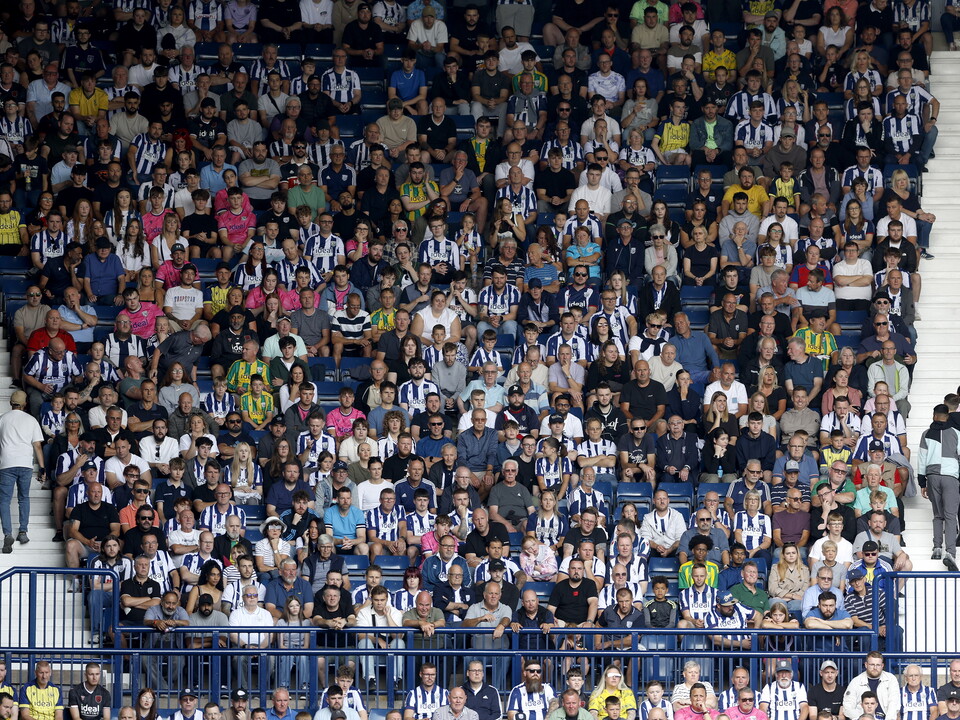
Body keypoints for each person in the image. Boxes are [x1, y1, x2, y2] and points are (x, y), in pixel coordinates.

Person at [0, 390, 44, 552]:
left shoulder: (3, 419)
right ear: (25, 404)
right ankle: (23, 532)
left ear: (10, 403)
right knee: (23, 498)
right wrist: (42, 467)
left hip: (6, 463)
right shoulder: (31, 420)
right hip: (25, 464)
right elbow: (37, 446)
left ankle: (7, 534)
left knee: (4, 500)